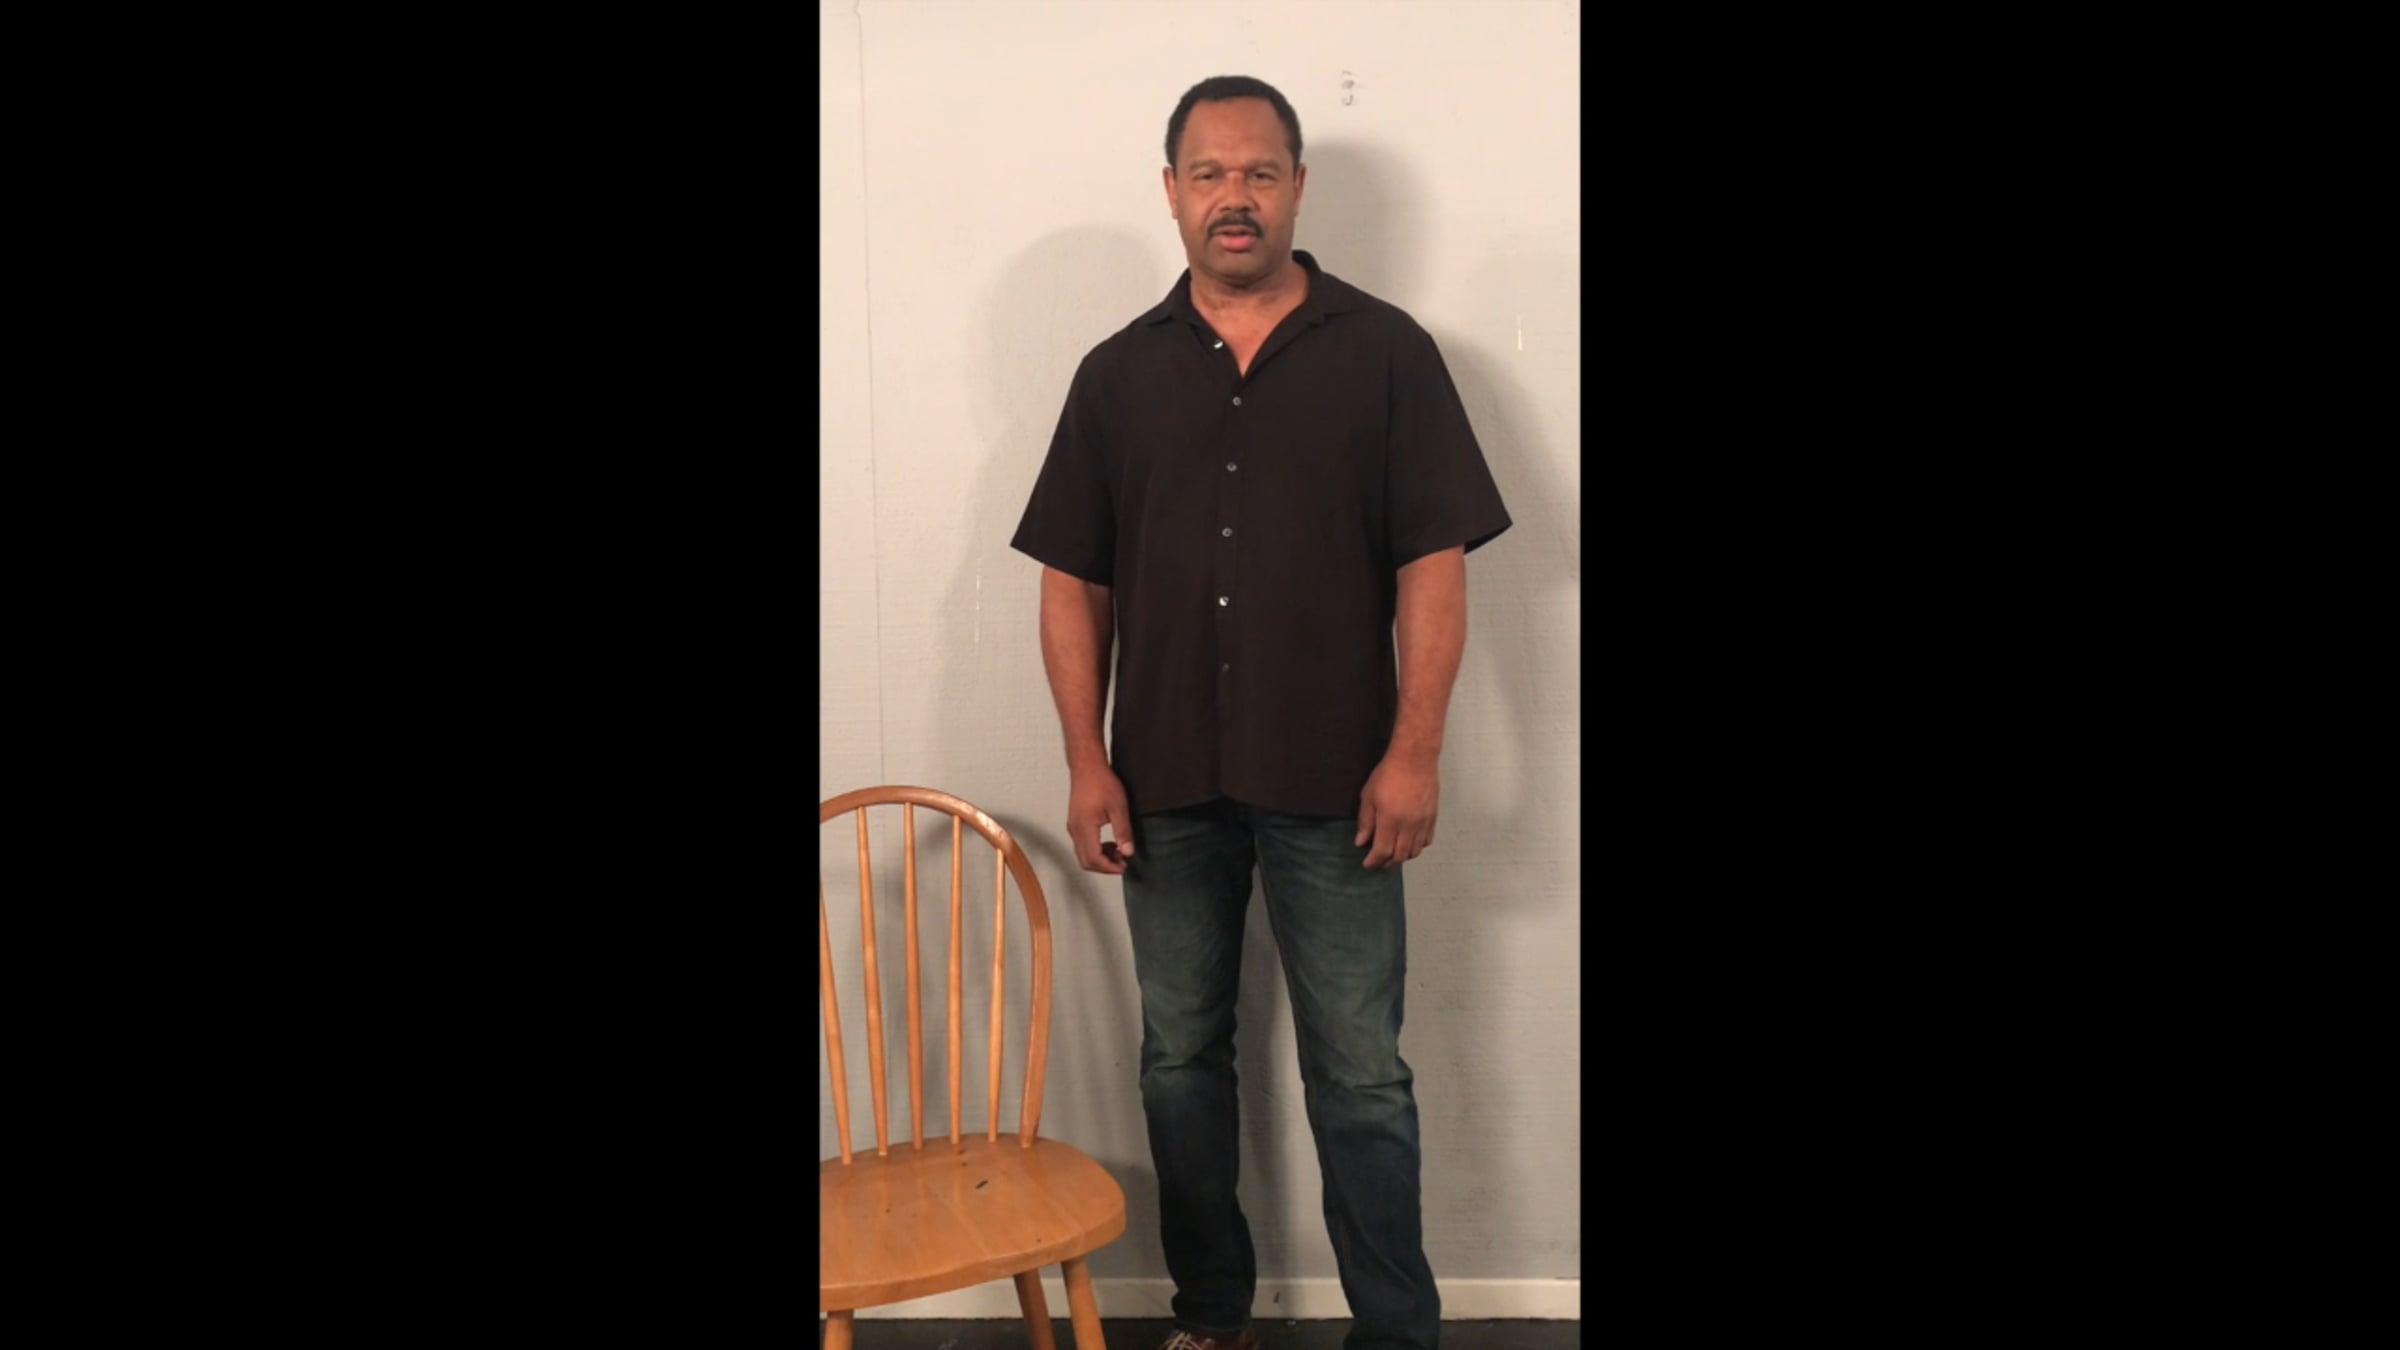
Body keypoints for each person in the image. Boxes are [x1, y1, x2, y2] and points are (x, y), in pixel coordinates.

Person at [1009, 74, 1510, 1350]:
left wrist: (1416, 752)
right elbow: (1074, 582)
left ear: (1297, 187)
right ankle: (1212, 1314)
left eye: (1259, 172)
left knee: (1362, 1075)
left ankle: (1395, 1331)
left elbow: (1433, 565)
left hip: (1341, 781)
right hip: (1164, 780)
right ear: (1171, 192)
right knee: (1180, 1061)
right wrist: (1086, 761)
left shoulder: (1388, 354)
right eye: (1209, 173)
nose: (1234, 197)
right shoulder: (1115, 375)